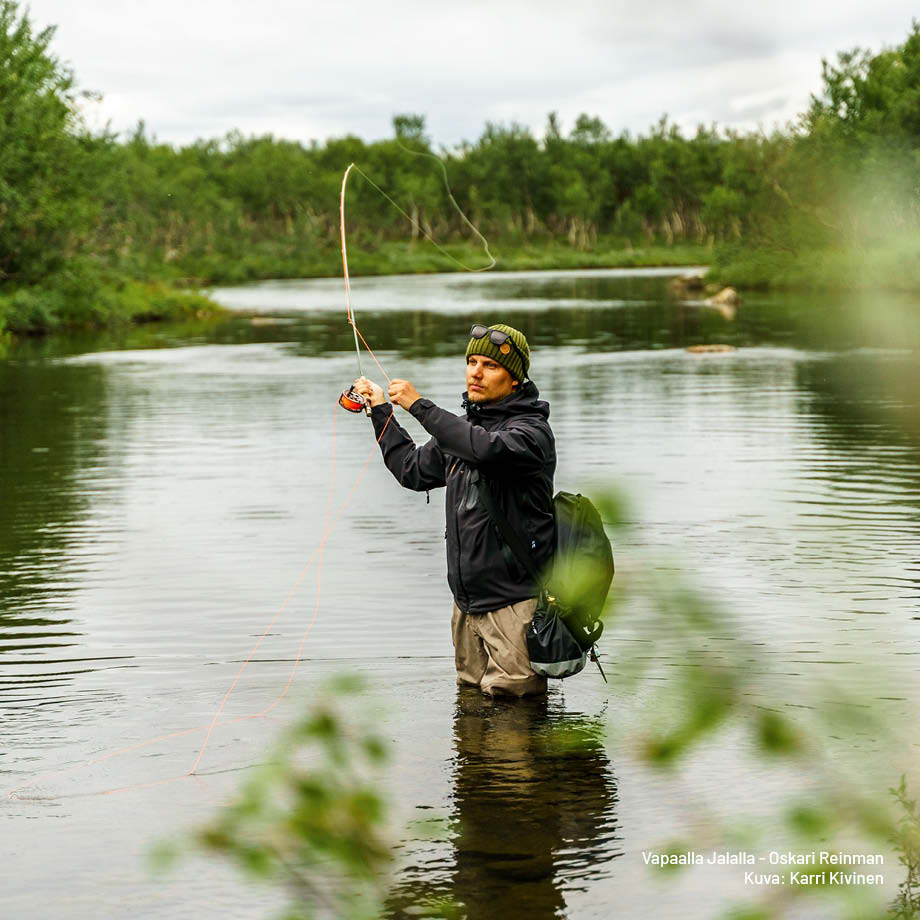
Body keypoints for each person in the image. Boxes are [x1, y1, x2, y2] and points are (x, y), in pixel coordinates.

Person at [354, 322, 556, 697]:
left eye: (490, 365)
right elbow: (411, 470)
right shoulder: (461, 431)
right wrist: (381, 410)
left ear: (515, 380)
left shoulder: (530, 434)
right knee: (471, 713)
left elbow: (485, 449)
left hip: (514, 605)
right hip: (467, 606)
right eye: (471, 361)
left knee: (515, 723)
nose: (476, 372)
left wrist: (419, 405)